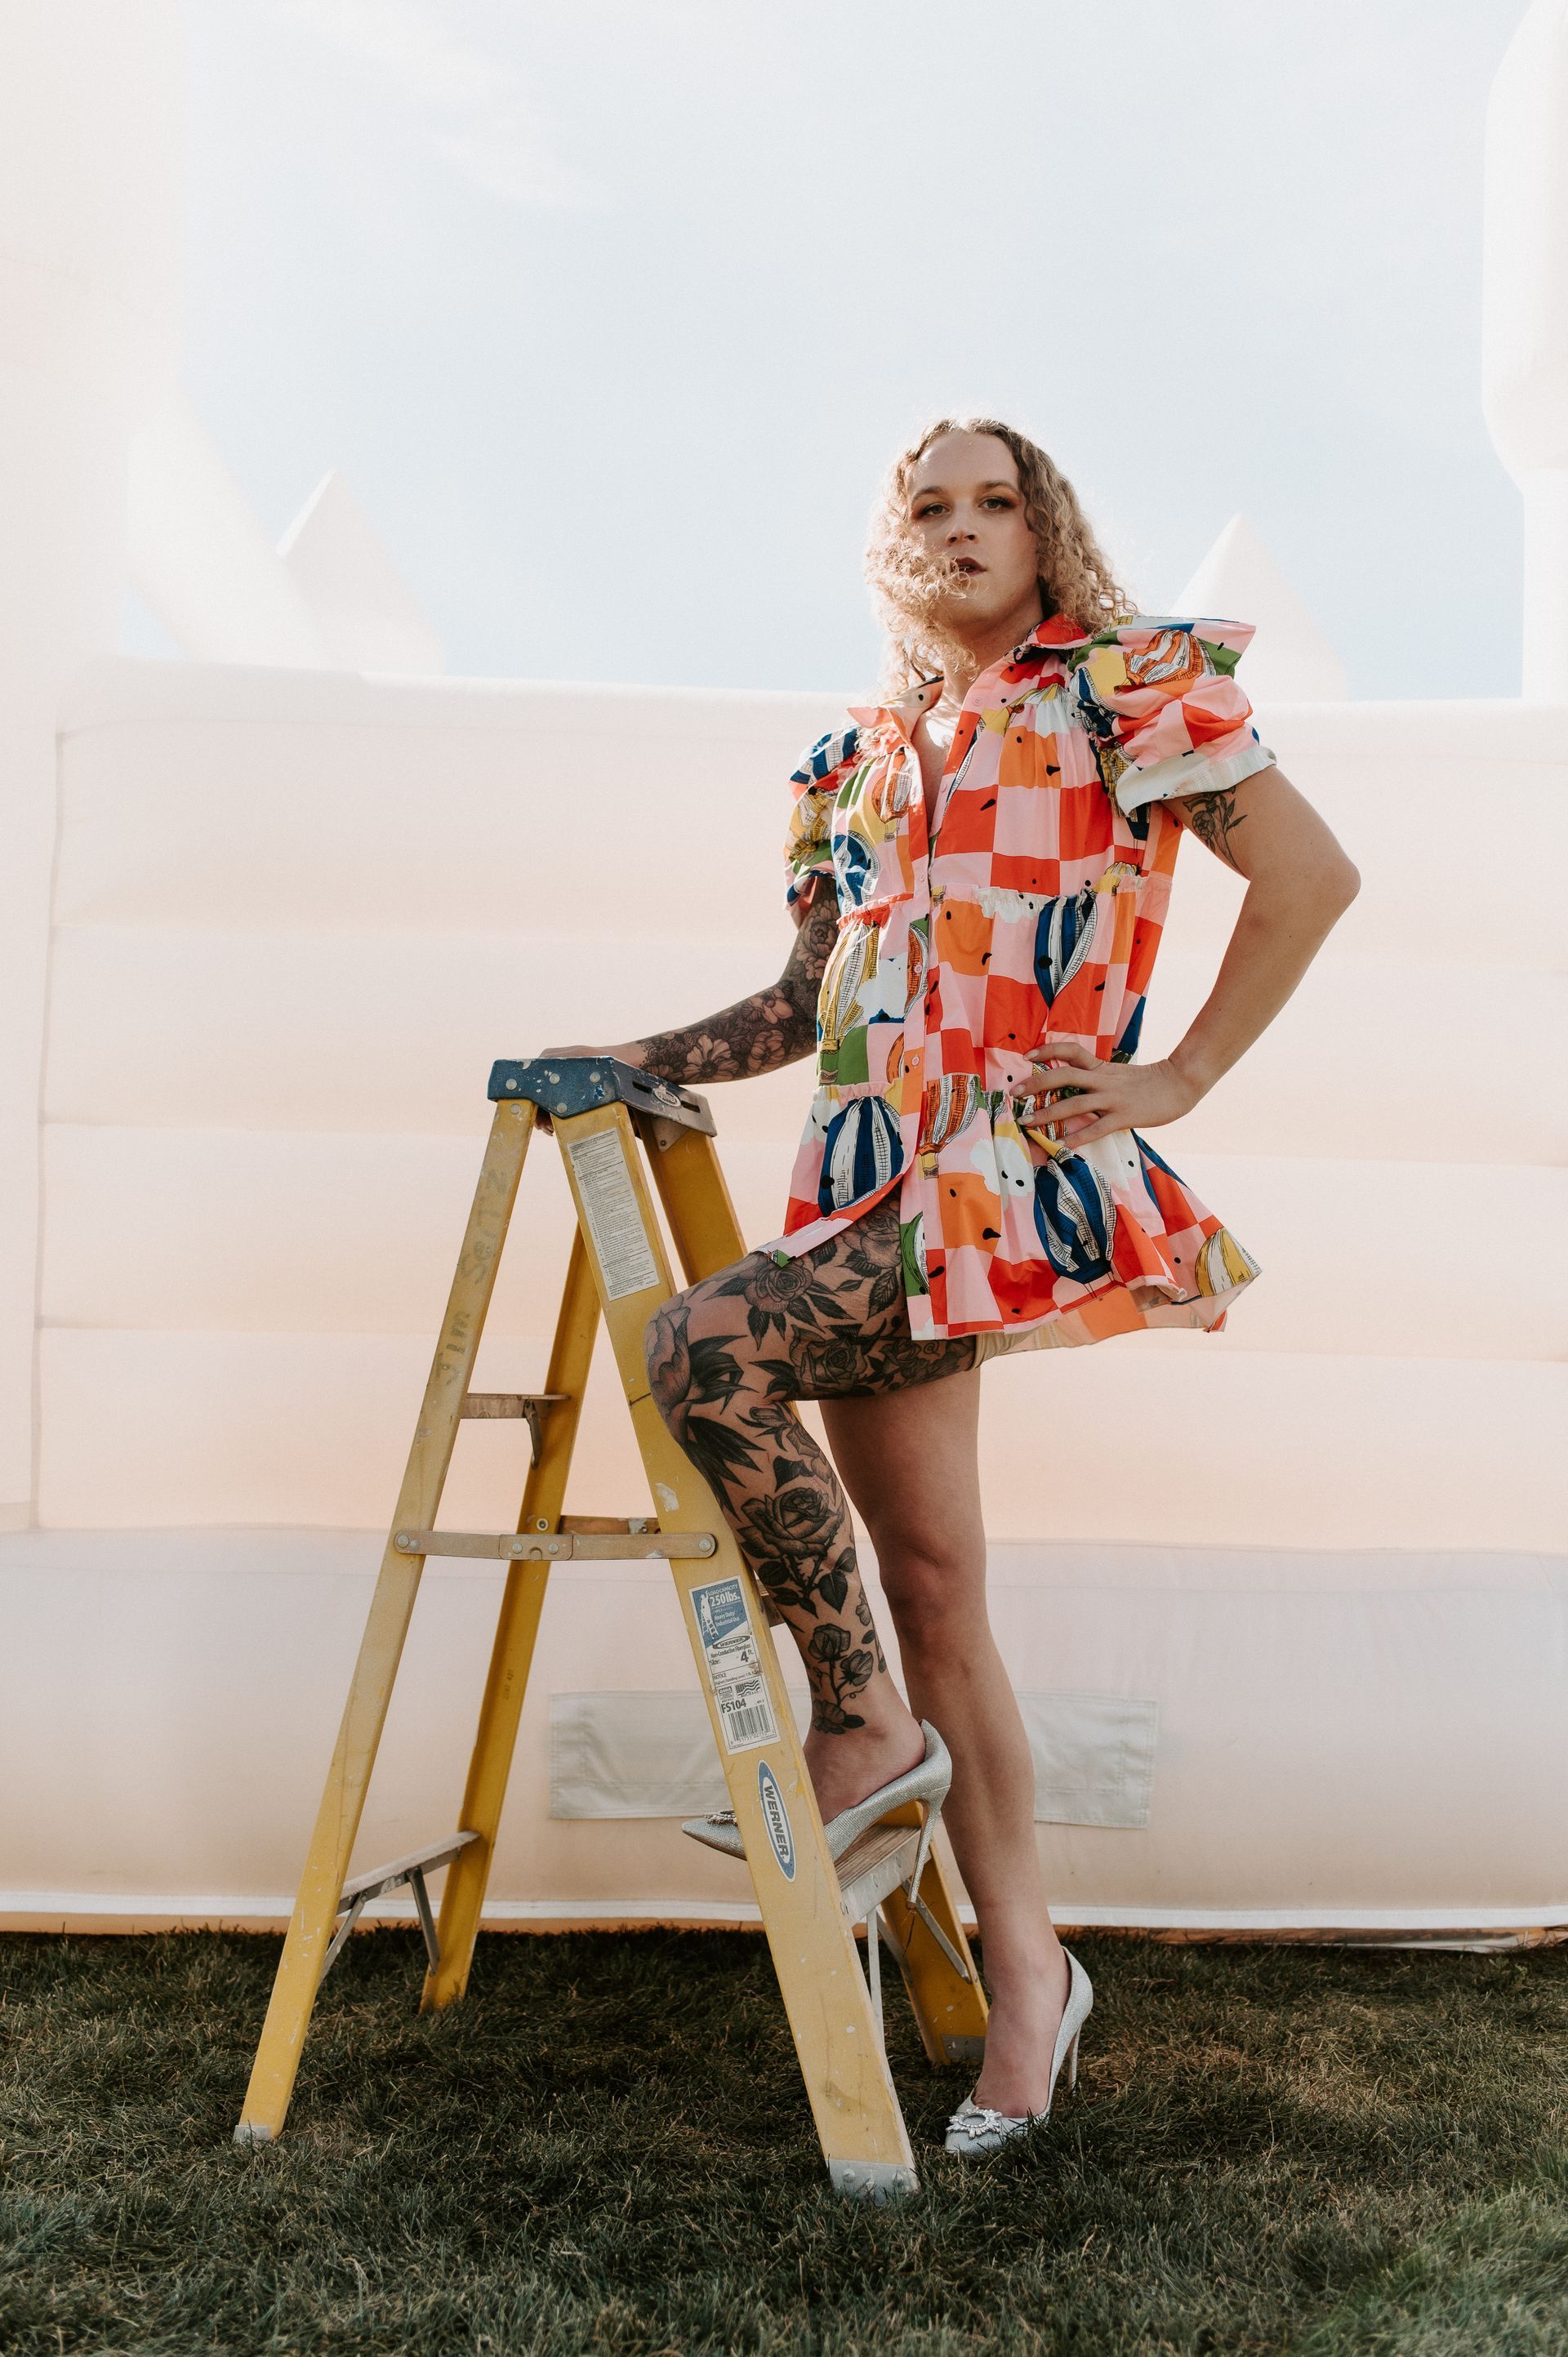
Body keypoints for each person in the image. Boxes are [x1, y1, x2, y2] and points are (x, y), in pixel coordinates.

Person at [543, 415, 1360, 2154]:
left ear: (1049, 528)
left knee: (706, 1343)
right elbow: (799, 1007)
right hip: (869, 1170)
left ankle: (860, 1737)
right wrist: (621, 1054)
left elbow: (1308, 880)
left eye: (1003, 499)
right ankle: (1029, 1985)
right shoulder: (853, 753)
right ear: (895, 540)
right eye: (936, 505)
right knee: (933, 1578)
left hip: (1003, 1176)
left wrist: (1182, 1077)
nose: (971, 525)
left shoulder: (1126, 685)